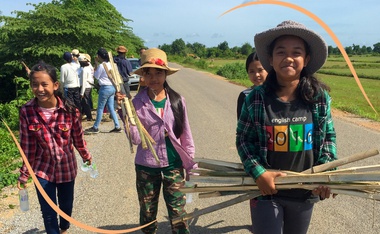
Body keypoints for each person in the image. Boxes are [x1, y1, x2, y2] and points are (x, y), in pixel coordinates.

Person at [236, 20, 337, 234]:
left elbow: (328, 138)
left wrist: (326, 174)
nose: (288, 58)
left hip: (304, 191)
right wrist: (259, 172)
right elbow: (244, 140)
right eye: (281, 52)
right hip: (266, 191)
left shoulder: (318, 98)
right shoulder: (256, 98)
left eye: (296, 52)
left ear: (306, 59)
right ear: (271, 59)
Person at [122, 48, 197, 234]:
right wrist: (125, 113)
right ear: (143, 77)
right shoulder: (136, 103)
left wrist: (190, 166)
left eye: (158, 72)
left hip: (174, 165)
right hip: (146, 167)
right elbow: (137, 138)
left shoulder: (178, 100)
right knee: (147, 213)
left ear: (165, 74)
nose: (153, 78)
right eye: (148, 73)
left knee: (178, 212)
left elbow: (185, 134)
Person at [17, 62, 92, 234]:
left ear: (55, 85)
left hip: (66, 167)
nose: (40, 89)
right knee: (48, 212)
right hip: (42, 169)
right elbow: (27, 147)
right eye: (35, 85)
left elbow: (78, 138)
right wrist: (24, 174)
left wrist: (85, 155)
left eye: (44, 84)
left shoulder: (70, 110)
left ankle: (64, 227)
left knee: (66, 207)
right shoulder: (27, 112)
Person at [85, 48, 121, 134]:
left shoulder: (102, 65)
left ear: (100, 56)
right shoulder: (113, 64)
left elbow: (96, 76)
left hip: (105, 88)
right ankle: (117, 125)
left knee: (100, 108)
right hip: (112, 87)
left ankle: (95, 127)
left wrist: (96, 64)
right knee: (111, 107)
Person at [236, 52, 268, 119]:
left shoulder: (279, 93)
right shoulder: (245, 95)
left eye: (260, 70)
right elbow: (241, 122)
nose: (256, 75)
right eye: (252, 71)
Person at [78, 54, 94, 121]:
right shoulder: (88, 68)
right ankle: (86, 114)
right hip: (89, 87)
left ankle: (89, 116)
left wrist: (81, 92)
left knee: (85, 102)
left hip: (85, 87)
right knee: (85, 102)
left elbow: (84, 81)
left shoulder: (84, 70)